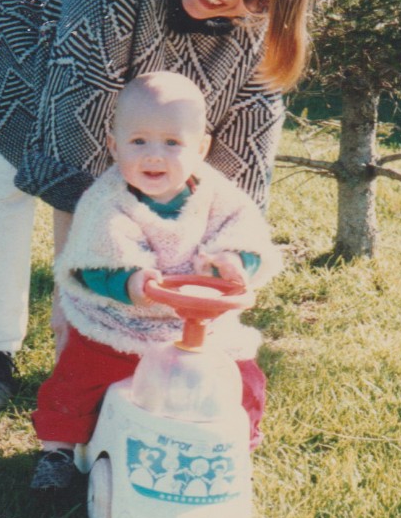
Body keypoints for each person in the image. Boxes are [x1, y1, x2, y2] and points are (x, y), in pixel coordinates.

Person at [0, 0, 337, 415]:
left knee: (162, 146)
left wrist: (221, 271)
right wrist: (76, 309)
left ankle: (139, 340)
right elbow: (75, 131)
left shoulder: (256, 4)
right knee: (9, 170)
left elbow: (236, 176)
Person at [30, 73, 283, 492]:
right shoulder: (108, 200)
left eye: (172, 143)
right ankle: (57, 450)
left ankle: (236, 447)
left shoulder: (219, 197)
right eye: (139, 142)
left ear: (200, 149)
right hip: (120, 323)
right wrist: (130, 282)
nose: (154, 156)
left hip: (199, 325)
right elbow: (96, 260)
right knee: (79, 375)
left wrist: (235, 261)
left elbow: (247, 236)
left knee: (244, 378)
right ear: (114, 145)